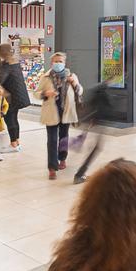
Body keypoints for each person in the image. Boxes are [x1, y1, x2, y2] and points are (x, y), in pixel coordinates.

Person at [39, 52, 82, 180]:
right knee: (51, 140)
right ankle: (52, 168)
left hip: (66, 112)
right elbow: (37, 93)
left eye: (60, 61)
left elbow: (80, 91)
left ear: (65, 63)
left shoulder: (72, 76)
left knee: (64, 138)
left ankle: (62, 159)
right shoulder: (45, 77)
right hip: (51, 112)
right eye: (56, 61)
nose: (58, 64)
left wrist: (74, 83)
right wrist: (46, 93)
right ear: (52, 63)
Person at [0, 43, 30, 153]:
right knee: (14, 118)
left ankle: (14, 143)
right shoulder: (15, 62)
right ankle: (16, 142)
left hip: (10, 97)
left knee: (9, 119)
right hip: (18, 96)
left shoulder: (5, 65)